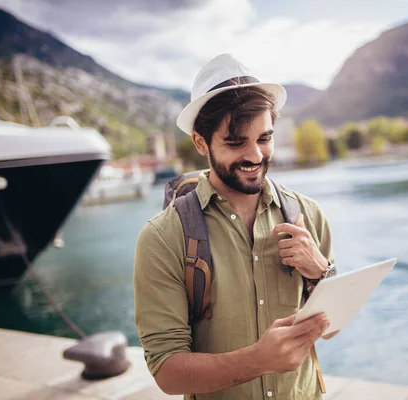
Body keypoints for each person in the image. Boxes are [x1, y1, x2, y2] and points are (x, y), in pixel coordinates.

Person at [133, 54, 337, 400]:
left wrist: (320, 273)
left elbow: (332, 329)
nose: (256, 156)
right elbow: (167, 373)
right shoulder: (163, 238)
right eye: (235, 142)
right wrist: (257, 360)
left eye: (264, 138)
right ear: (201, 143)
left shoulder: (308, 214)